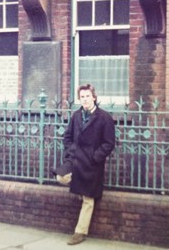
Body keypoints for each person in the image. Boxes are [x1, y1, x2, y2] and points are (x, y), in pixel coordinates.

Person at [54, 83, 116, 246]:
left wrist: (95, 157)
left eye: (88, 96)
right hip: (75, 160)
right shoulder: (76, 116)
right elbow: (67, 137)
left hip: (92, 164)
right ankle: (78, 186)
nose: (85, 99)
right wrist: (70, 151)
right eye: (82, 97)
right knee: (60, 177)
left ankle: (80, 232)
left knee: (88, 199)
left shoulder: (104, 118)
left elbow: (109, 143)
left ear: (94, 97)